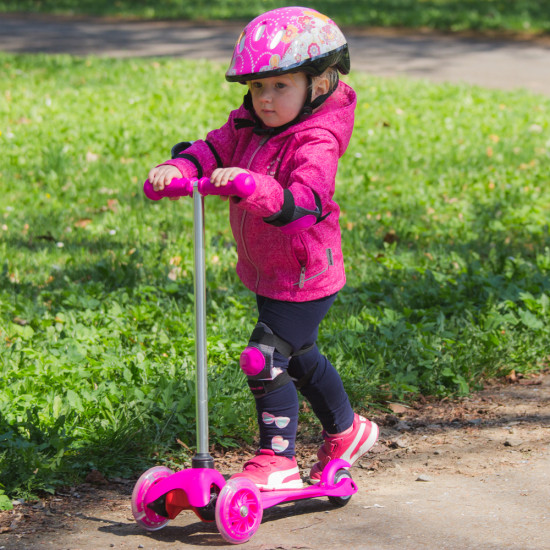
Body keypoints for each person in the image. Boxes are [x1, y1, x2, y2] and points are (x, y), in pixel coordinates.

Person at [148, 6, 379, 489]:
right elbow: (213, 147)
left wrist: (256, 187)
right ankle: (347, 429)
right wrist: (182, 169)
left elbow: (307, 201)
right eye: (257, 87)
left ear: (319, 84)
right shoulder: (249, 124)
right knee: (300, 357)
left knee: (264, 356)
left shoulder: (316, 138)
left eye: (281, 86)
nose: (266, 100)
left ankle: (279, 459)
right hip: (270, 273)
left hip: (306, 271)